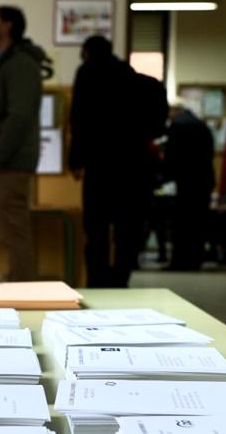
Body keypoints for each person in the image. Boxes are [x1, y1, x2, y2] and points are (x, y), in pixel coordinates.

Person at [69, 36, 168, 287]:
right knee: (128, 229)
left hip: (99, 165)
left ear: (87, 53)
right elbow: (157, 128)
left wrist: (75, 160)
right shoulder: (146, 84)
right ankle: (121, 280)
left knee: (96, 230)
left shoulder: (88, 74)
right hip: (135, 165)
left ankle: (97, 282)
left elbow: (78, 120)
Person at [0, 5, 45, 282]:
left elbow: (20, 115)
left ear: (8, 26)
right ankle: (19, 285)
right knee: (11, 235)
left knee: (15, 236)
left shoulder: (20, 64)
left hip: (9, 163)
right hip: (4, 162)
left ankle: (23, 293)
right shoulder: (7, 62)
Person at [163, 98, 215, 270]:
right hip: (204, 180)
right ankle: (195, 261)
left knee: (182, 223)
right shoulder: (201, 125)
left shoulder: (177, 125)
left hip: (186, 181)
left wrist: (164, 177)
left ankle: (179, 262)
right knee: (199, 223)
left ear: (173, 111)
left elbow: (172, 154)